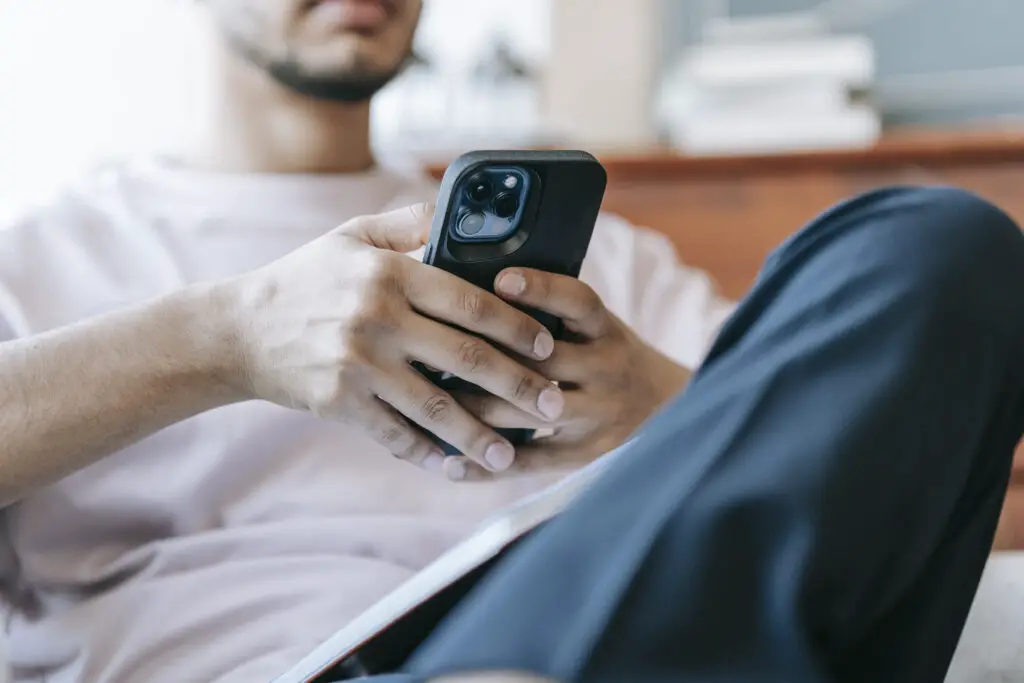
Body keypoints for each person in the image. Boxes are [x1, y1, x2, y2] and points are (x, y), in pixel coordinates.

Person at [0, 3, 1019, 683]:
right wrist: (227, 338)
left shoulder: (595, 256)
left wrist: (660, 405)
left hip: (599, 633)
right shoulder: (45, 261)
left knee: (937, 245)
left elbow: (846, 459)